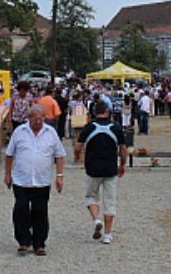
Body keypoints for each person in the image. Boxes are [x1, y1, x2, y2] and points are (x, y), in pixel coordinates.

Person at [4, 105, 66, 256]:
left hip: (42, 180)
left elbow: (59, 155)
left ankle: (39, 243)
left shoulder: (50, 133)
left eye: (41, 118)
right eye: (36, 118)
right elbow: (9, 154)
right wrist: (7, 174)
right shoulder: (19, 132)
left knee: (40, 211)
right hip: (21, 180)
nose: (39, 121)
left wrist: (59, 176)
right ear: (29, 117)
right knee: (21, 209)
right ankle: (23, 241)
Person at [74, 101, 127, 245]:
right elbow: (123, 149)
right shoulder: (115, 128)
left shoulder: (89, 127)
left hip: (93, 167)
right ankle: (108, 234)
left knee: (91, 196)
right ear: (108, 112)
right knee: (110, 201)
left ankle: (96, 220)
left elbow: (78, 146)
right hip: (110, 168)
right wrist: (122, 164)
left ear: (93, 112)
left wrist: (79, 157)